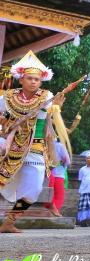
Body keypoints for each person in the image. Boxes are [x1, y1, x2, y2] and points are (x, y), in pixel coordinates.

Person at [0, 51, 69, 233]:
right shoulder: (9, 97)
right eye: (29, 78)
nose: (33, 82)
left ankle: (9, 221)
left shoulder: (46, 96)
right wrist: (6, 121)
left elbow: (53, 114)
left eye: (37, 79)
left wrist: (57, 108)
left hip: (35, 147)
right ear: (21, 79)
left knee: (34, 189)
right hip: (11, 146)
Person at [46, 138, 71, 217]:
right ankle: (53, 212)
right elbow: (67, 160)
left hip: (47, 173)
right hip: (58, 173)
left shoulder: (45, 144)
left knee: (49, 194)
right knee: (59, 195)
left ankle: (47, 212)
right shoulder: (60, 146)